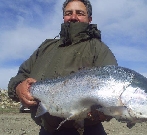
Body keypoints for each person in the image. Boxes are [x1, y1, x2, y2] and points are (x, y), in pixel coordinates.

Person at [8, 0, 118, 134]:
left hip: (88, 131)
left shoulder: (99, 49)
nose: (73, 17)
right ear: (63, 17)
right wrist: (18, 87)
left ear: (89, 19)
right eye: (68, 13)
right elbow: (21, 76)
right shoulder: (46, 47)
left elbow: (113, 89)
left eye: (80, 13)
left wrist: (106, 111)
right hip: (47, 130)